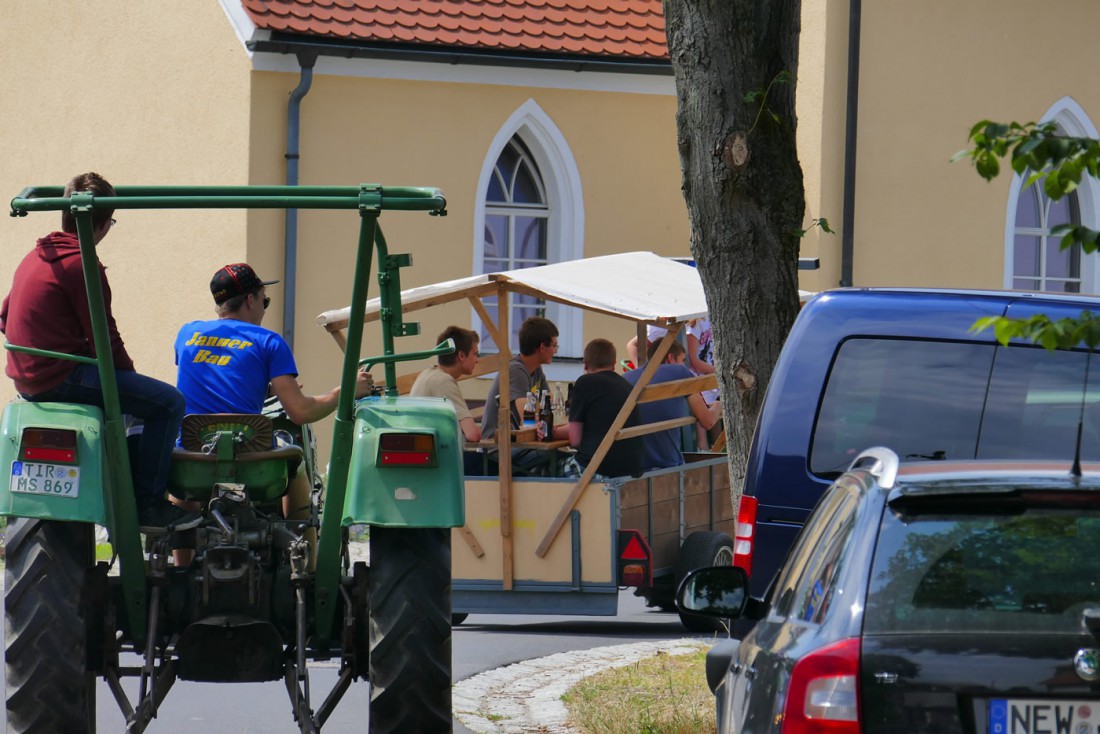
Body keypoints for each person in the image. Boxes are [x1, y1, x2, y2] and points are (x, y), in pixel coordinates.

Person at [0, 172, 199, 530]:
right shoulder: (83, 264)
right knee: (167, 403)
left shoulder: (37, 256)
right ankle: (148, 505)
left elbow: (5, 316)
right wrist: (130, 378)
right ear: (105, 223)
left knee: (137, 399)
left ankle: (120, 488)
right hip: (59, 377)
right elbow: (105, 339)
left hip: (27, 379)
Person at [174, 263, 373, 527]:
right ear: (249, 300)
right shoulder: (269, 341)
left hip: (193, 460)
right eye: (264, 301)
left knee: (183, 484)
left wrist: (262, 389)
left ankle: (181, 563)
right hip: (250, 462)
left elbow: (211, 380)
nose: (264, 309)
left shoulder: (187, 334)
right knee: (296, 463)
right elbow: (300, 412)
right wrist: (346, 391)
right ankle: (304, 557)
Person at [623, 340, 722, 471]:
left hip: (630, 467)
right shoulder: (679, 372)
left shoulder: (625, 377)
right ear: (670, 358)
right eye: (683, 360)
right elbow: (708, 421)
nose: (684, 365)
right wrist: (719, 405)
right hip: (667, 465)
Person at [410, 325, 486, 474]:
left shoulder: (429, 373)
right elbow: (472, 435)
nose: (477, 360)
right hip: (434, 462)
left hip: (423, 455)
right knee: (499, 464)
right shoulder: (443, 382)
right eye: (475, 354)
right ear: (462, 356)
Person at [565, 338, 642, 478]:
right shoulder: (627, 386)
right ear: (613, 364)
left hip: (600, 468)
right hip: (631, 469)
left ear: (585, 365)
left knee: (547, 468)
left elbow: (575, 440)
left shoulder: (585, 382)